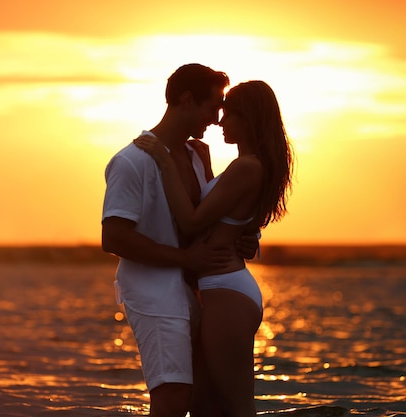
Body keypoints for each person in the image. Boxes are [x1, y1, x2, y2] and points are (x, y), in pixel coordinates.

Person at [101, 64, 258, 417]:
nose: (218, 118)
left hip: (194, 291)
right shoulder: (132, 161)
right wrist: (187, 260)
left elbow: (209, 218)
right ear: (187, 100)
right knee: (172, 397)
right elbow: (113, 237)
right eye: (214, 105)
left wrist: (247, 239)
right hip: (153, 292)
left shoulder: (195, 156)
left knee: (208, 399)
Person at [134, 80, 294, 417]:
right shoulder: (242, 167)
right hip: (219, 290)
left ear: (248, 119)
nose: (221, 122)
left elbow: (193, 222)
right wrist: (204, 168)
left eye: (229, 114)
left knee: (237, 407)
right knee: (206, 407)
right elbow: (219, 213)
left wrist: (164, 162)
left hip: (227, 291)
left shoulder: (247, 167)